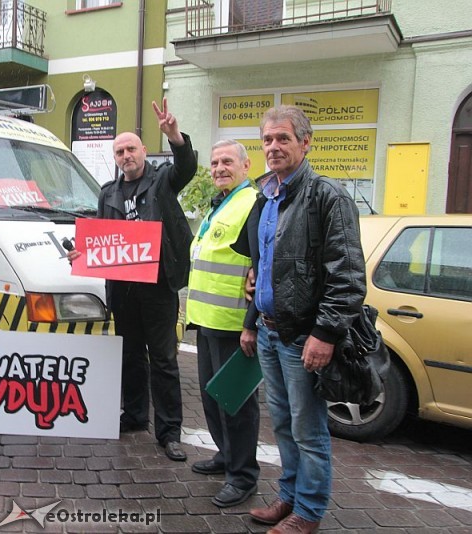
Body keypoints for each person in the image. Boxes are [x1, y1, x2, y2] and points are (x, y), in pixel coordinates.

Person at [247, 105, 366, 534]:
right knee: (282, 423)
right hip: (268, 331)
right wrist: (253, 313)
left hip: (303, 337)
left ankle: (308, 512)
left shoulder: (326, 196)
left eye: (283, 138)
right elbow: (264, 263)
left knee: (309, 431)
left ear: (305, 142)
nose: (274, 147)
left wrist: (325, 333)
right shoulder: (267, 195)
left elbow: (348, 275)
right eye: (267, 140)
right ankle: (289, 496)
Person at [69, 98, 196, 462]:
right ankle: (136, 415)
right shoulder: (108, 193)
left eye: (131, 149)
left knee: (164, 360)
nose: (126, 155)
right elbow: (99, 241)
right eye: (120, 151)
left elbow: (185, 167)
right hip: (122, 290)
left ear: (143, 151)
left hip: (158, 287)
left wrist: (174, 135)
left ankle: (170, 431)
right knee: (130, 357)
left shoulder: (163, 182)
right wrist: (82, 254)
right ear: (115, 157)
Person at [186, 140, 259, 507]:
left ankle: (243, 476)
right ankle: (226, 455)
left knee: (236, 404)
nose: (218, 168)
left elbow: (260, 268)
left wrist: (252, 325)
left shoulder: (251, 204)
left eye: (227, 161)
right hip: (208, 321)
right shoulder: (222, 204)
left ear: (246, 165)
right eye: (214, 163)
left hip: (235, 326)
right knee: (213, 398)